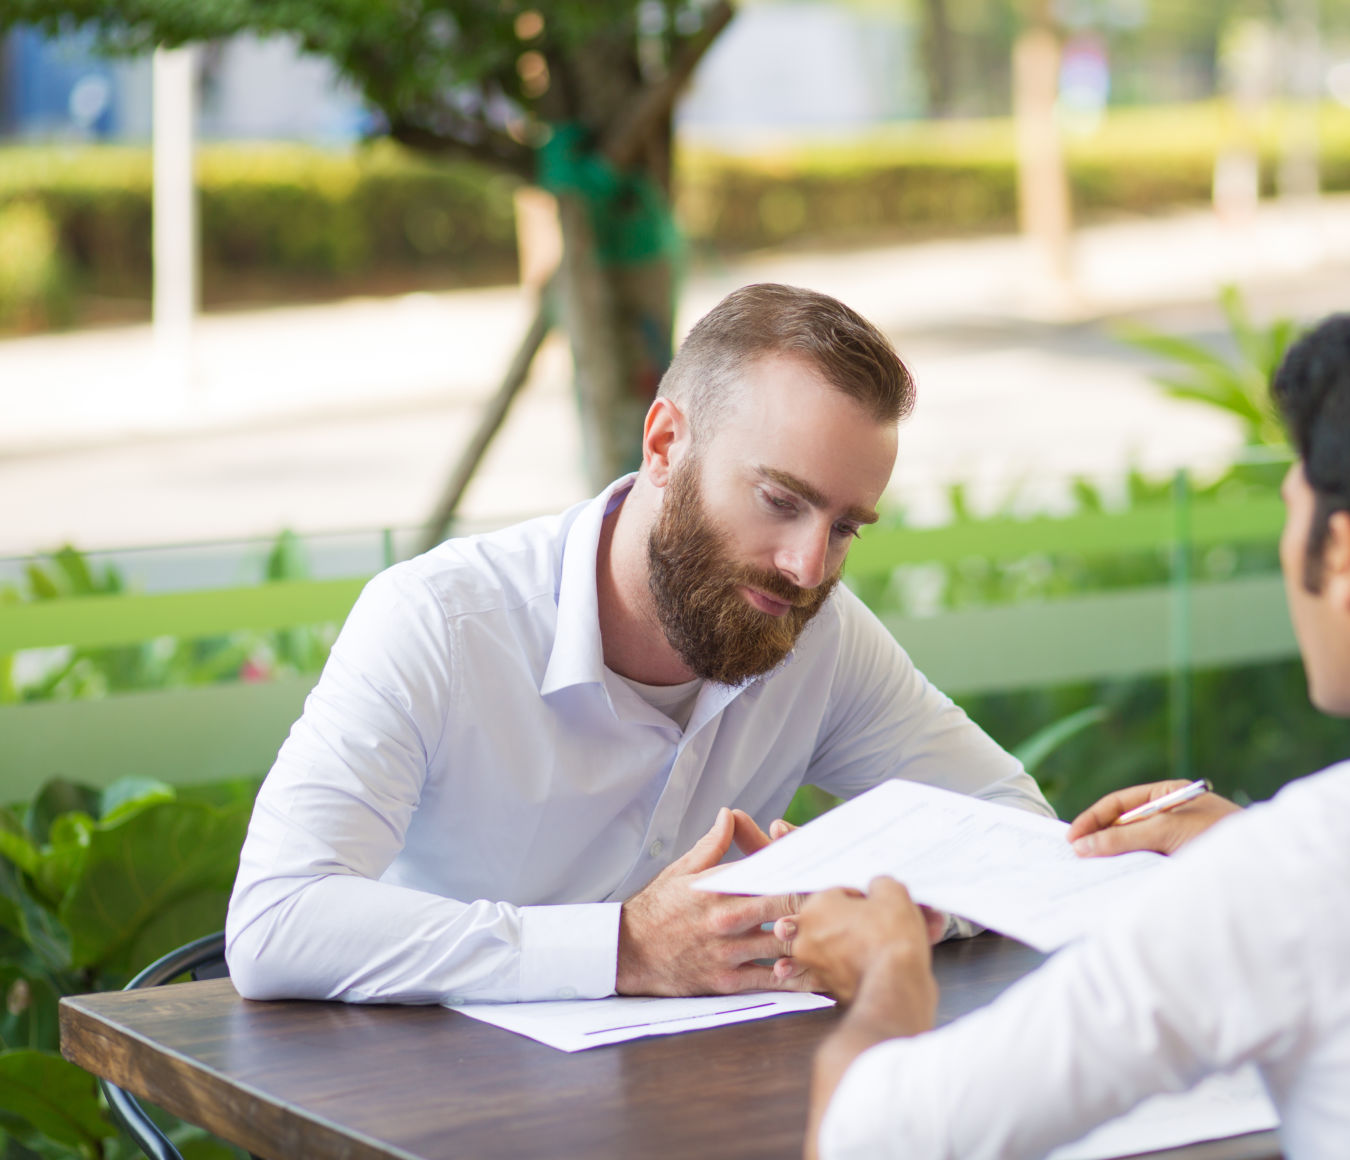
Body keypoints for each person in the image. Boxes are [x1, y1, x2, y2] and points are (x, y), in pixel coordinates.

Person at [225, 283, 1052, 1006]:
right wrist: (624, 948)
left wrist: (887, 904)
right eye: (778, 500)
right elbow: (277, 919)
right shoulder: (440, 623)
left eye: (845, 529)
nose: (807, 566)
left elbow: (1015, 831)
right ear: (664, 446)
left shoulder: (821, 637)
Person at [790, 313, 1350, 1159]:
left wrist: (887, 975)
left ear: (1339, 555)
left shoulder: (1296, 877)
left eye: (1287, 506)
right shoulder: (1294, 872)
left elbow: (871, 1138)